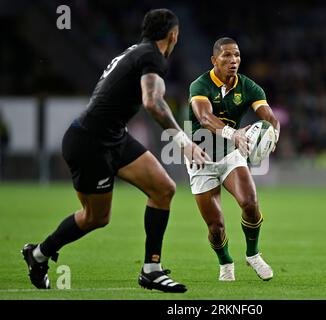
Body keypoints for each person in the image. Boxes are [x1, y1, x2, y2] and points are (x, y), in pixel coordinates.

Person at [22, 8, 208, 293]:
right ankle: (38, 255)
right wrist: (183, 141)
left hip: (113, 137)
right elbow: (152, 102)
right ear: (173, 36)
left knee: (163, 189)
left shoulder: (135, 52)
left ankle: (151, 270)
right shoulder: (152, 57)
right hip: (90, 143)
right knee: (96, 217)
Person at [187, 37, 280, 281]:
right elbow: (205, 117)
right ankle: (225, 262)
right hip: (201, 157)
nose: (233, 60)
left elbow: (269, 117)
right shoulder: (200, 85)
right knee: (216, 228)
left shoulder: (249, 87)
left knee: (250, 203)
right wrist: (234, 133)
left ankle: (253, 255)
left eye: (237, 55)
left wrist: (274, 133)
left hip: (230, 153)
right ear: (214, 60)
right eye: (227, 55)